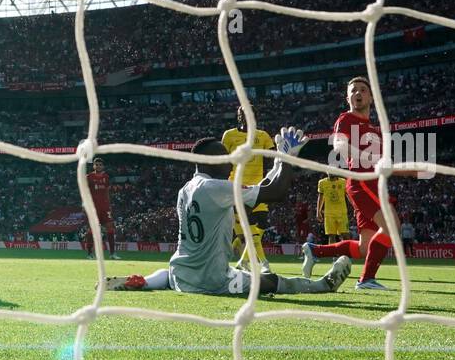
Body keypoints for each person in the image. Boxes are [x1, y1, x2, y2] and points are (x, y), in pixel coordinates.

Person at [107, 130, 351, 297]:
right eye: (226, 157)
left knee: (172, 273)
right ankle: (322, 286)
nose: (232, 163)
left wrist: (278, 162)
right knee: (268, 281)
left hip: (181, 274)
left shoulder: (187, 188)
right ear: (209, 160)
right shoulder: (215, 188)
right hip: (212, 282)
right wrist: (287, 157)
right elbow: (275, 192)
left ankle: (144, 281)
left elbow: (260, 189)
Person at [302, 77, 418, 290]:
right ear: (348, 98)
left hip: (375, 185)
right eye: (353, 90)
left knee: (365, 248)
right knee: (392, 226)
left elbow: (383, 166)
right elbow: (339, 146)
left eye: (363, 90)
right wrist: (370, 160)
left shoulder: (374, 130)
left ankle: (314, 250)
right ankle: (366, 279)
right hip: (361, 183)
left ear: (371, 97)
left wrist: (410, 170)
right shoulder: (346, 119)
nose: (358, 93)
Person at [220, 106, 275, 272]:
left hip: (258, 188)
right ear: (238, 117)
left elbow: (273, 158)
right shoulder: (229, 136)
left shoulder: (262, 136)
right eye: (242, 114)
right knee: (251, 229)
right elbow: (223, 160)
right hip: (237, 187)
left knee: (262, 224)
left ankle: (242, 257)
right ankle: (263, 263)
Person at [85, 158, 118, 259]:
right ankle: (90, 254)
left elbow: (107, 192)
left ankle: (112, 254)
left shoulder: (106, 177)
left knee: (110, 228)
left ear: (102, 166)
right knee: (91, 230)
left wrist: (109, 205)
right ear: (93, 166)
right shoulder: (89, 177)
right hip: (93, 208)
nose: (98, 166)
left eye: (100, 165)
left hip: (105, 207)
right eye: (96, 164)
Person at [316, 174, 349, 243]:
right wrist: (318, 212)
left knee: (345, 235)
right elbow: (321, 197)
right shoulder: (322, 182)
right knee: (331, 236)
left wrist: (355, 207)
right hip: (329, 214)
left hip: (342, 213)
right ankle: (332, 253)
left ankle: (346, 253)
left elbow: (348, 195)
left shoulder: (343, 182)